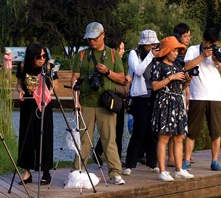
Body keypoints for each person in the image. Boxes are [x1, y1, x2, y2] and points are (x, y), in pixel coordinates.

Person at [70, 22, 128, 185]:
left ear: (103, 35)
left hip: (105, 103)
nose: (92, 41)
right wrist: (76, 102)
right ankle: (76, 171)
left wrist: (107, 72)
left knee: (109, 139)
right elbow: (74, 79)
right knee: (83, 140)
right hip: (86, 103)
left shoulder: (113, 55)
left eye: (94, 38)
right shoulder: (81, 55)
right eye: (89, 38)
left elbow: (122, 78)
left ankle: (115, 173)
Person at [183, 27, 221, 171]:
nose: (211, 47)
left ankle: (214, 160)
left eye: (214, 44)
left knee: (215, 131)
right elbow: (186, 66)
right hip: (197, 96)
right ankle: (186, 160)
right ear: (203, 40)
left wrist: (217, 62)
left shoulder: (220, 51)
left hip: (215, 96)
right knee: (192, 131)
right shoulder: (193, 50)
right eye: (209, 44)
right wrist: (203, 56)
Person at [149, 36, 192, 182]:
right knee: (164, 137)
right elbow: (154, 86)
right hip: (165, 102)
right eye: (173, 50)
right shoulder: (158, 65)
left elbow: (181, 87)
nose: (175, 53)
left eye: (177, 50)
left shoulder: (177, 66)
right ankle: (162, 170)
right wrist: (171, 77)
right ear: (166, 51)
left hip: (178, 102)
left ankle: (179, 169)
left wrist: (187, 81)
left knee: (179, 137)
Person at [15, 43, 54, 185]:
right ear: (32, 56)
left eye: (44, 56)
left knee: (44, 135)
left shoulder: (47, 67)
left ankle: (46, 171)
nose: (42, 59)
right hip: (28, 103)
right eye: (39, 56)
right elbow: (19, 83)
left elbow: (54, 85)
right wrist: (20, 90)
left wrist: (49, 93)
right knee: (27, 135)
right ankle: (26, 171)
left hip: (44, 105)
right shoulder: (23, 66)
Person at [124, 30, 160, 175]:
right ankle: (130, 163)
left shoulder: (156, 56)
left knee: (153, 131)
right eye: (150, 45)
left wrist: (155, 56)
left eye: (154, 44)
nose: (152, 47)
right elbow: (138, 71)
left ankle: (153, 162)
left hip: (155, 94)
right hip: (140, 96)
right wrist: (151, 55)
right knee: (139, 130)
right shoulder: (134, 54)